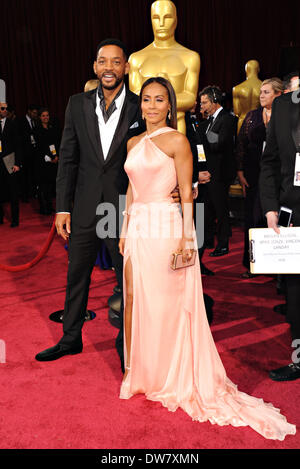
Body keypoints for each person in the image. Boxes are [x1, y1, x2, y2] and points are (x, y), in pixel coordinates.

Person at [118, 76, 296, 440]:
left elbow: (186, 194)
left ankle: (173, 373)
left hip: (167, 229)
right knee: (138, 300)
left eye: (159, 100)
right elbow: (132, 190)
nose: (152, 106)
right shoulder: (134, 142)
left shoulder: (178, 140)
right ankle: (143, 371)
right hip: (137, 229)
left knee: (168, 303)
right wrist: (123, 227)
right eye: (147, 100)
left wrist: (187, 238)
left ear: (170, 105)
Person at [34, 39, 144, 367]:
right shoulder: (77, 104)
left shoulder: (141, 106)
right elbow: (67, 158)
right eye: (102, 61)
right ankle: (70, 339)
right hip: (83, 206)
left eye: (115, 61)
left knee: (125, 279)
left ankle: (128, 345)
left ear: (125, 67)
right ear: (95, 66)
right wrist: (62, 208)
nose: (109, 67)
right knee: (76, 274)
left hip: (121, 207)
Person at [260, 90, 300, 382]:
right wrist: (271, 207)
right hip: (291, 213)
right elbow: (270, 163)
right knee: (296, 291)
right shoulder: (283, 105)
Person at [128, 0, 200, 135]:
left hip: (178, 128)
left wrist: (154, 102)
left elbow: (190, 98)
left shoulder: (190, 57)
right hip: (145, 131)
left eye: (167, 17)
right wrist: (165, 102)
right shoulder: (136, 58)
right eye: (156, 18)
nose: (161, 23)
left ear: (176, 20)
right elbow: (134, 98)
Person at [236, 78, 284, 278]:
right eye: (261, 92)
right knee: (253, 219)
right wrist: (239, 172)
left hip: (279, 177)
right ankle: (253, 264)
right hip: (254, 176)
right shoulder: (252, 116)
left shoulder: (285, 116)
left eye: (266, 92)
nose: (261, 95)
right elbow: (241, 144)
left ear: (278, 94)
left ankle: (277, 267)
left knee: (276, 221)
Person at [198, 86, 237, 257]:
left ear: (215, 101)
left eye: (205, 102)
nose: (202, 106)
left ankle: (223, 244)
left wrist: (204, 140)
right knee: (207, 208)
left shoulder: (227, 119)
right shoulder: (209, 121)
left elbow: (220, 143)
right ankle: (207, 239)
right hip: (209, 171)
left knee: (221, 209)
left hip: (221, 173)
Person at [34, 107, 61, 215]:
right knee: (43, 185)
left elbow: (56, 142)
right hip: (42, 161)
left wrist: (56, 156)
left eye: (47, 115)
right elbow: (41, 145)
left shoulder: (52, 127)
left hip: (53, 159)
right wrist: (50, 156)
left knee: (50, 184)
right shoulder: (37, 129)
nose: (46, 117)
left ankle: (49, 206)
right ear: (40, 117)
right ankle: (43, 207)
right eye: (43, 115)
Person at [0, 102, 21, 227]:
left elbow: (18, 145)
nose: (5, 111)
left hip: (9, 162)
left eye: (6, 109)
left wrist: (17, 163)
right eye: (2, 108)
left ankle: (15, 219)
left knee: (13, 192)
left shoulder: (13, 124)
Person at [232, 60, 262, 134]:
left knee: (241, 145)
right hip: (258, 122)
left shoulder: (237, 88)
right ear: (258, 70)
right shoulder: (264, 88)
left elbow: (237, 112)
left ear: (246, 70)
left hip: (243, 122)